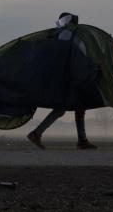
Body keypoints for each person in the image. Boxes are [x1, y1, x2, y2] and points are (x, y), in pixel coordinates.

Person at [27, 12, 97, 150]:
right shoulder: (67, 35)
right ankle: (37, 133)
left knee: (76, 107)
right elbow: (64, 56)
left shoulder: (69, 35)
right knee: (66, 107)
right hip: (69, 77)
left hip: (73, 76)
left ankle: (81, 140)